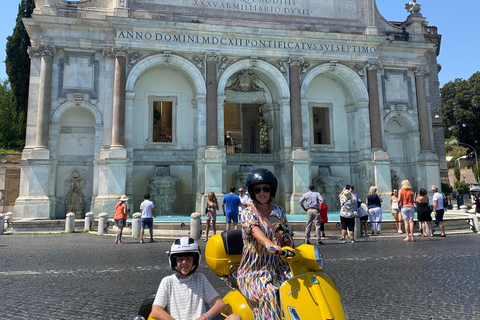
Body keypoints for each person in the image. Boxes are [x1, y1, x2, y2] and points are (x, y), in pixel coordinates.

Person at [237, 168, 293, 320]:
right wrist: (269, 244)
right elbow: (254, 230)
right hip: (254, 272)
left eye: (266, 189)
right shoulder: (248, 213)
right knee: (270, 294)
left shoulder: (278, 212)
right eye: (257, 190)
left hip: (279, 268)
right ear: (252, 192)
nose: (262, 193)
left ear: (271, 190)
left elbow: (285, 236)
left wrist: (290, 246)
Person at [150, 237, 241, 320]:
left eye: (188, 259)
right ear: (174, 262)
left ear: (195, 261)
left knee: (235, 318)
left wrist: (204, 317)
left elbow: (220, 304)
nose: (184, 263)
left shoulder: (200, 278)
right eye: (180, 259)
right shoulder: (168, 281)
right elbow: (155, 311)